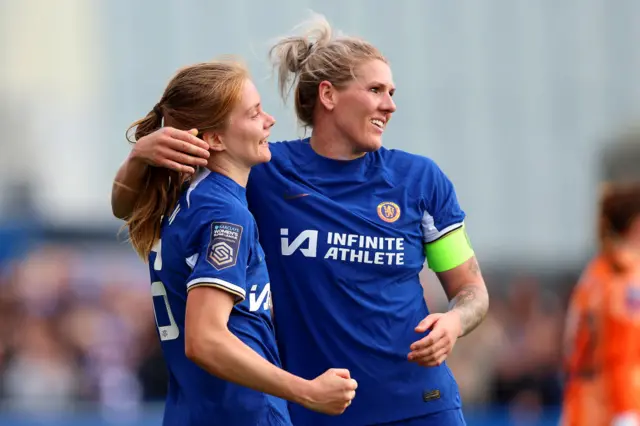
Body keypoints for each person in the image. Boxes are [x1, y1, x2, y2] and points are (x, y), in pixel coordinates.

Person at [112, 15, 489, 426]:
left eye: (392, 92)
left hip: (421, 405)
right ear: (328, 95)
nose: (390, 104)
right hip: (315, 409)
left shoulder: (421, 181)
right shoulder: (263, 172)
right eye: (376, 90)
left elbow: (472, 291)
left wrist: (454, 322)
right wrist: (138, 157)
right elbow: (134, 207)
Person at [121, 59, 357, 426]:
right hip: (243, 413)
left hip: (195, 413)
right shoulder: (223, 214)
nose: (269, 121)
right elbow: (205, 340)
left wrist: (137, 156)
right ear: (214, 139)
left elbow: (122, 203)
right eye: (254, 113)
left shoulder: (184, 198)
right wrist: (306, 391)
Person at [561, 182, 640, 426]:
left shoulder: (595, 273)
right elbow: (620, 355)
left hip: (580, 404)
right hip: (611, 409)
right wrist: (625, 414)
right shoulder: (626, 278)